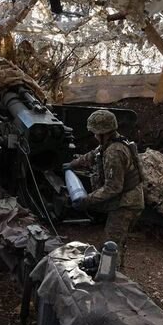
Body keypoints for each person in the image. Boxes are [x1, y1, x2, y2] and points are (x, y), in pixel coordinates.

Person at [64, 109, 144, 268]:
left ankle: (110, 280)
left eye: (94, 132)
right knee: (115, 242)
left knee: (110, 246)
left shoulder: (114, 152)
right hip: (127, 199)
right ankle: (113, 270)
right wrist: (74, 164)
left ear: (102, 132)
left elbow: (112, 188)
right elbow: (93, 155)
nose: (93, 135)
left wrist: (86, 201)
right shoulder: (111, 143)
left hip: (127, 205)